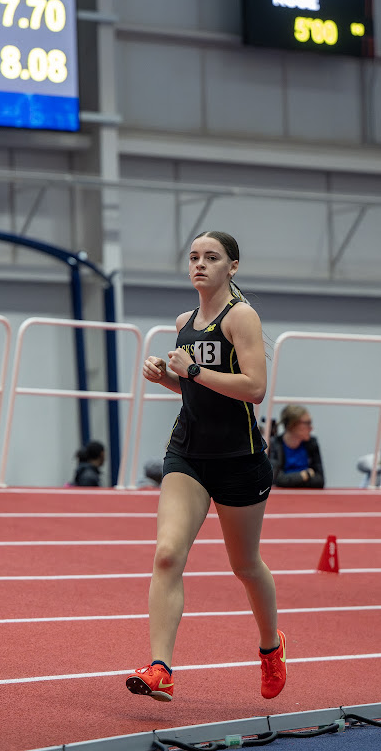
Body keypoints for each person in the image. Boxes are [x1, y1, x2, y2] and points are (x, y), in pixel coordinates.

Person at [125, 230, 286, 704]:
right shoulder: (185, 321)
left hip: (239, 460)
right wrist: (169, 380)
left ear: (232, 266)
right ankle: (161, 669)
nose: (200, 265)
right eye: (194, 257)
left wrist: (192, 371)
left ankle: (271, 647)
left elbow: (254, 388)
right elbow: (200, 392)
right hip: (188, 454)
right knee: (167, 553)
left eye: (211, 258)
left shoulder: (243, 317)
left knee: (245, 564)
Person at [268, 405, 325, 489]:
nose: (311, 428)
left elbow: (320, 480)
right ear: (292, 425)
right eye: (307, 423)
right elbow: (275, 479)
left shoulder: (312, 443)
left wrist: (288, 480)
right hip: (282, 497)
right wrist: (305, 475)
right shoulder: (275, 444)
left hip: (307, 496)